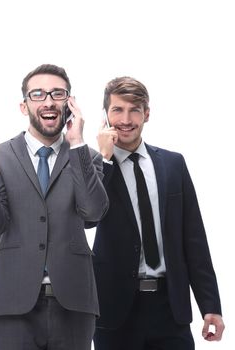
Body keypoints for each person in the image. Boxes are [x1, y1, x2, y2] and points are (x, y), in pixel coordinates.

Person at [0, 64, 109, 350]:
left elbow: (93, 214)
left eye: (57, 94)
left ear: (70, 103)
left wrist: (78, 144)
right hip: (11, 305)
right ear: (24, 106)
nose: (48, 101)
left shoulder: (87, 158)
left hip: (74, 303)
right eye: (38, 94)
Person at [91, 76, 225, 350]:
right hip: (114, 310)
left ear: (147, 114)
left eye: (134, 110)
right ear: (105, 115)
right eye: (117, 110)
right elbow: (87, 218)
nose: (125, 119)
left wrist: (210, 305)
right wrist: (104, 160)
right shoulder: (92, 166)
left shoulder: (173, 164)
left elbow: (194, 238)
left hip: (170, 308)